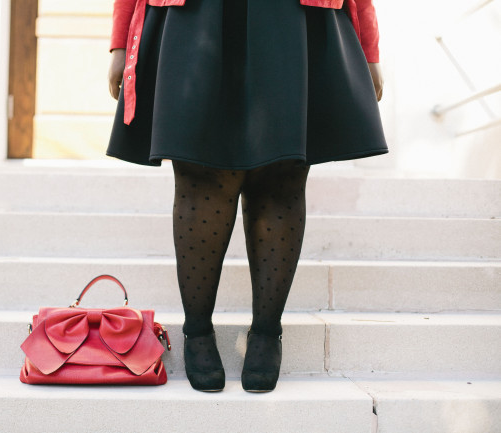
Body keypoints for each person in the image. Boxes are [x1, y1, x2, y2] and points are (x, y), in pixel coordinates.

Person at [106, 0, 388, 392]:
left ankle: (267, 333)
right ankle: (198, 332)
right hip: (195, 13)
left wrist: (368, 46)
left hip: (294, 14)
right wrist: (120, 41)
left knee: (282, 174)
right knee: (200, 171)